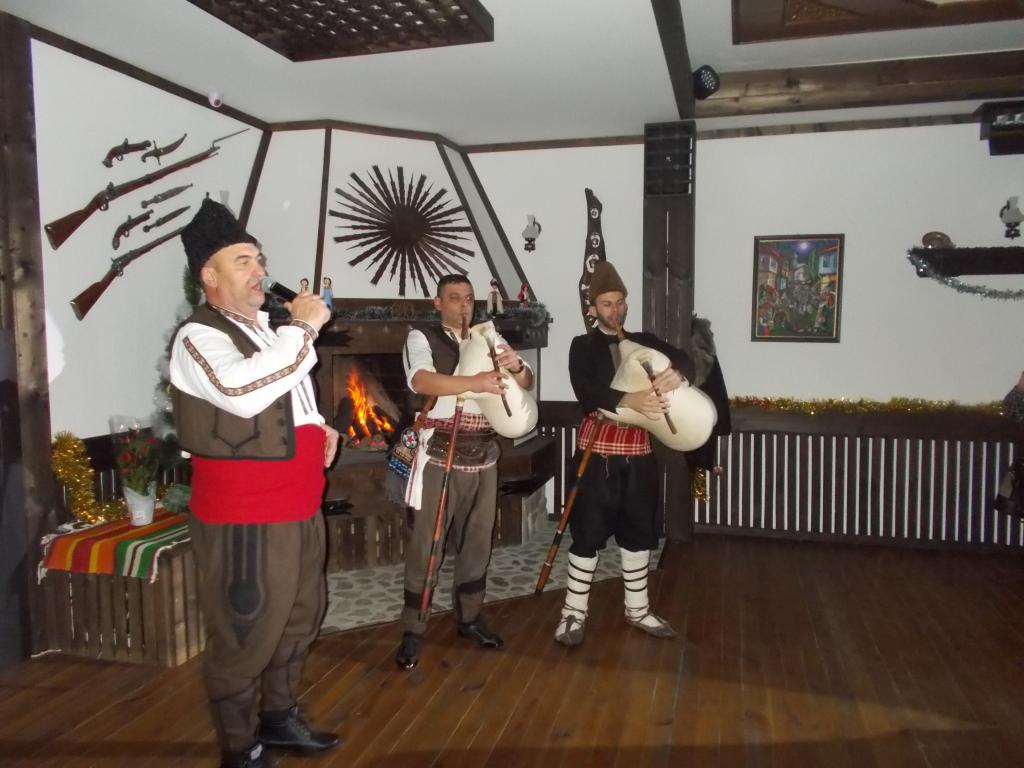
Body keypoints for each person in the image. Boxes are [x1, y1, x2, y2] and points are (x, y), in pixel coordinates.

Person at [169, 199, 339, 768]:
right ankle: (239, 749)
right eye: (243, 261)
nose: (259, 270)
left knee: (298, 617)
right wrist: (305, 327)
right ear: (209, 275)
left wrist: (318, 427)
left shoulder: (267, 333)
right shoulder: (197, 337)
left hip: (299, 506)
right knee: (245, 629)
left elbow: (283, 397)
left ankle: (279, 718)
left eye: (258, 259)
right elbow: (240, 391)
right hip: (246, 516)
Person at [395, 274, 533, 670]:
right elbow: (420, 381)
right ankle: (412, 629)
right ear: (438, 303)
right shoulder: (421, 336)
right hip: (440, 452)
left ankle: (469, 618)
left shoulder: (488, 336)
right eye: (454, 298)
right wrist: (474, 382)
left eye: (469, 298)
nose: (463, 305)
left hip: (485, 453)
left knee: (477, 544)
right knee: (428, 546)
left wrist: (517, 366)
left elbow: (526, 380)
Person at [555, 261, 695, 647]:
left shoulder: (645, 341)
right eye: (606, 304)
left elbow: (686, 360)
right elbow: (586, 391)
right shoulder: (582, 346)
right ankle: (573, 613)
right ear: (592, 308)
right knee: (587, 533)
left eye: (619, 303)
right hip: (597, 451)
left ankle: (638, 610)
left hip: (639, 451)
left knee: (638, 533)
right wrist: (629, 400)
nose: (614, 311)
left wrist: (678, 373)